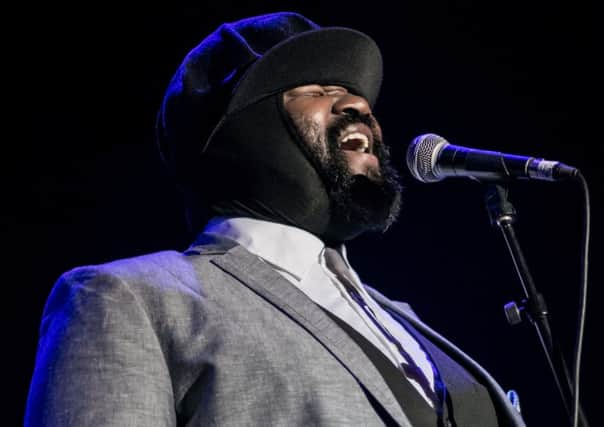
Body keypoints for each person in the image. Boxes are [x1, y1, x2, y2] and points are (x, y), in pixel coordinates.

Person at [25, 12, 526, 426]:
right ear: (245, 132)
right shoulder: (131, 298)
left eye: (351, 90)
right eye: (317, 89)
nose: (357, 104)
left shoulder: (404, 319)